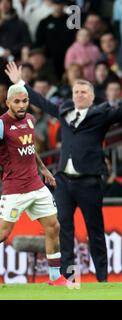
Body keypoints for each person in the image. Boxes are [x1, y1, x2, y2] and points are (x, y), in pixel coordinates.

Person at [5, 61, 122, 282]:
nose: (79, 95)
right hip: (64, 182)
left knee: (95, 231)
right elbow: (42, 102)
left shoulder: (101, 114)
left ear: (92, 97)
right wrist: (19, 82)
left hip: (89, 182)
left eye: (84, 92)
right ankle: (69, 279)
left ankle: (102, 279)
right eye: (76, 91)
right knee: (64, 230)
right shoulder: (64, 111)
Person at [0, 83, 68, 285]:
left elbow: (29, 147)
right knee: (3, 233)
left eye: (25, 101)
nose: (22, 105)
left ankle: (55, 276)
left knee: (53, 226)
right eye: (17, 102)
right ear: (8, 103)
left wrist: (43, 169)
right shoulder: (2, 124)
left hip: (36, 186)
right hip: (14, 189)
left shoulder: (30, 120)